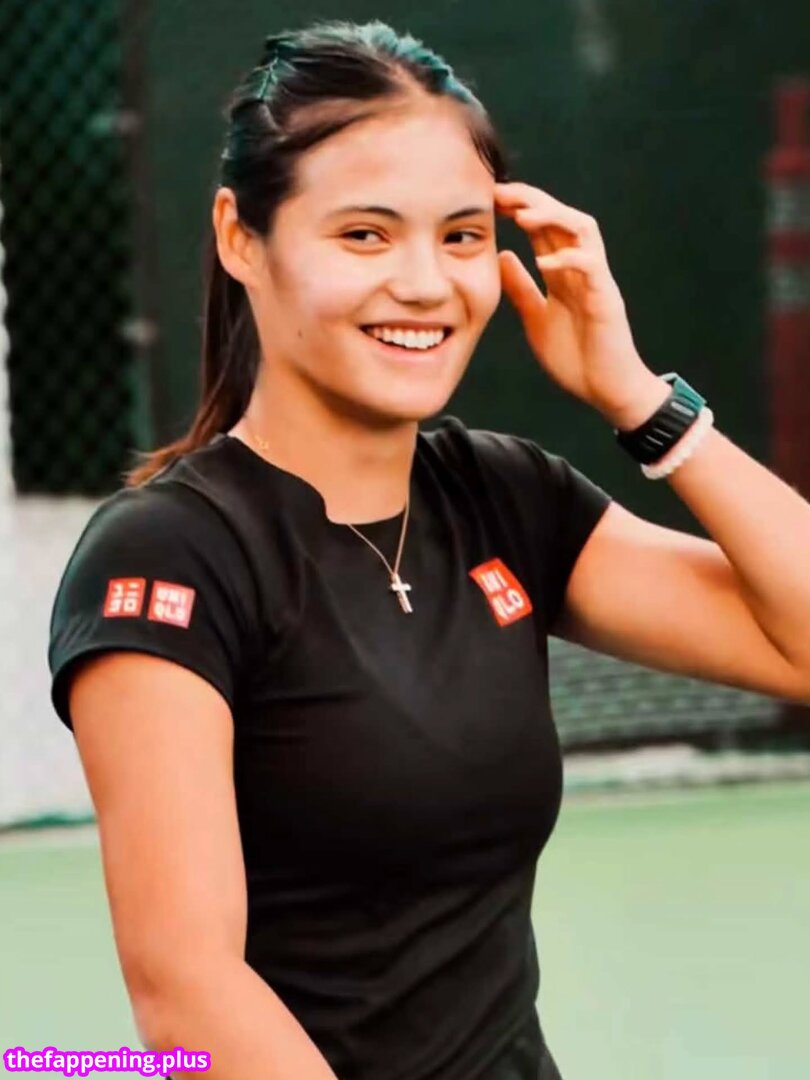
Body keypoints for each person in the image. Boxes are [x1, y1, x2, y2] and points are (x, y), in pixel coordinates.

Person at [47, 19, 810, 1080]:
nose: (424, 283)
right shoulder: (169, 558)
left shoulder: (506, 496)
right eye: (365, 235)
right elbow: (187, 991)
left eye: (460, 237)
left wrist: (641, 400)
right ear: (240, 237)